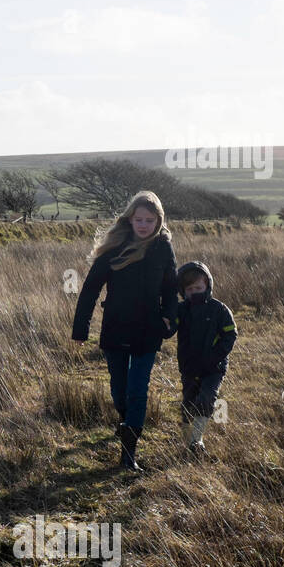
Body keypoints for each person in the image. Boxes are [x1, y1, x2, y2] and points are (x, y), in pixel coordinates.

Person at [71, 190, 179, 471]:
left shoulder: (162, 248)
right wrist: (81, 329)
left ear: (159, 221)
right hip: (116, 329)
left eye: (150, 220)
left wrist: (170, 319)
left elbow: (170, 288)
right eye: (139, 219)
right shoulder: (114, 249)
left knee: (137, 390)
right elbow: (90, 289)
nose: (144, 225)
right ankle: (125, 421)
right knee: (119, 391)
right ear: (129, 220)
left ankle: (128, 453)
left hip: (148, 330)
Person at [174, 261, 238, 453]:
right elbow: (167, 329)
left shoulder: (219, 310)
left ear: (208, 285)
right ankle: (187, 440)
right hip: (189, 366)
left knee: (207, 397)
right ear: (183, 291)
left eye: (199, 287)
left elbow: (230, 335)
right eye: (190, 289)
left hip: (214, 367)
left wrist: (215, 357)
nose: (195, 292)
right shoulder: (181, 309)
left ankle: (196, 441)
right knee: (188, 402)